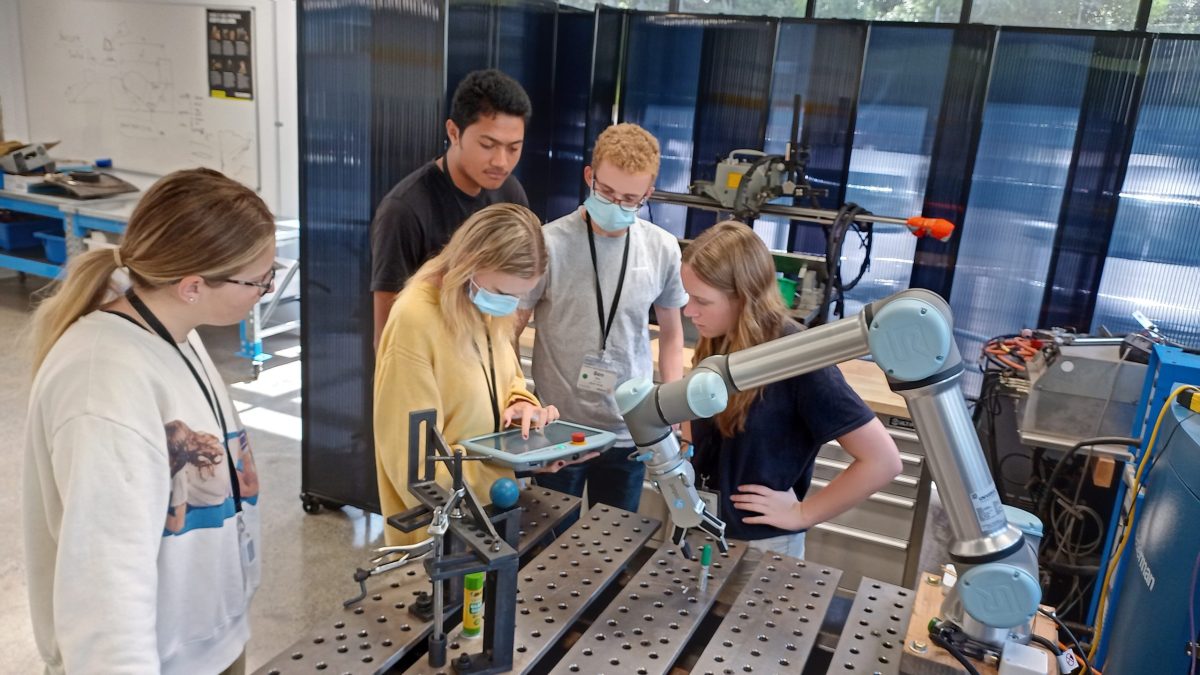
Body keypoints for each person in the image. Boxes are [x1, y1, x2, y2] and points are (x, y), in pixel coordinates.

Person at [24, 168, 274, 674]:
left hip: (209, 640)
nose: (265, 290)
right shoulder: (104, 382)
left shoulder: (177, 333)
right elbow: (103, 584)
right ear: (192, 286)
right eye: (257, 281)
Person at [680, 221, 902, 571]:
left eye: (701, 301)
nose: (688, 311)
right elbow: (703, 431)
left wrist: (802, 513)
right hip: (700, 528)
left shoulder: (796, 358)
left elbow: (883, 461)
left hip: (760, 549)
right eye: (687, 296)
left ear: (743, 297)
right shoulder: (717, 340)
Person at [374, 203, 591, 547]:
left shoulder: (481, 304)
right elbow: (413, 469)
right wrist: (515, 466)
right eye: (504, 294)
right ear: (469, 263)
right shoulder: (415, 322)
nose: (510, 306)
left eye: (520, 297)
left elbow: (506, 381)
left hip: (490, 515)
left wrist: (521, 407)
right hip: (440, 530)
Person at [516, 123, 686, 524]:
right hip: (558, 427)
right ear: (589, 177)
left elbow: (673, 335)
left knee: (615, 544)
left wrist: (674, 413)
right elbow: (508, 330)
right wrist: (519, 399)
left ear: (648, 194)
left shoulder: (661, 248)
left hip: (630, 431)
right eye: (607, 192)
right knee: (548, 543)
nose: (616, 204)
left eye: (630, 198)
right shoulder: (548, 243)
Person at [371, 68, 532, 347]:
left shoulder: (511, 193)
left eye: (513, 148)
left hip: (491, 363)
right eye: (488, 144)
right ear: (454, 132)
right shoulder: (405, 210)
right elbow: (387, 334)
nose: (501, 162)